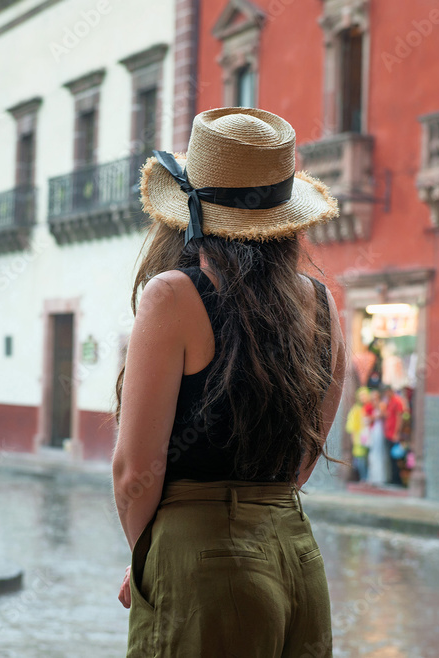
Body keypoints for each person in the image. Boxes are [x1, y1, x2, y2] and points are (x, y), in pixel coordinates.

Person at [111, 107, 346, 656]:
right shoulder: (324, 306)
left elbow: (134, 473)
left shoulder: (172, 295)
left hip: (203, 567)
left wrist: (148, 559)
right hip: (296, 560)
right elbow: (302, 461)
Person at [346, 387, 372, 482]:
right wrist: (353, 438)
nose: (363, 398)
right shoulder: (356, 409)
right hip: (359, 438)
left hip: (370, 437)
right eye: (361, 396)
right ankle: (364, 478)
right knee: (360, 459)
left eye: (365, 396)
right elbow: (351, 426)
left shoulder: (370, 407)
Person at [382, 384, 406, 486]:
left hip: (393, 434)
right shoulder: (389, 402)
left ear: (390, 391)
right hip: (388, 433)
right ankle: (392, 478)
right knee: (390, 458)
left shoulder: (397, 401)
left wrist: (397, 433)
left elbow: (400, 418)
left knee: (395, 458)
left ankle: (397, 480)